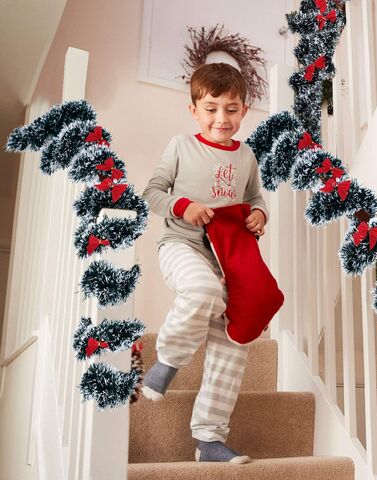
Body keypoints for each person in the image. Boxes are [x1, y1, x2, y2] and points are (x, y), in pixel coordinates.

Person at [141, 62, 269, 464]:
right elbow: (153, 192)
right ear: (195, 109)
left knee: (235, 340)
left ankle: (209, 439)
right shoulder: (181, 145)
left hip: (229, 258)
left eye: (231, 109)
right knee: (202, 290)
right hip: (182, 245)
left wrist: (260, 215)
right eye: (211, 108)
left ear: (244, 111)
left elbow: (255, 198)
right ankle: (167, 362)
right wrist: (183, 205)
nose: (221, 118)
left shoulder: (246, 156)